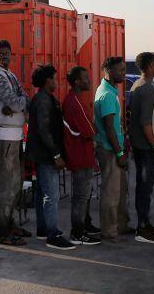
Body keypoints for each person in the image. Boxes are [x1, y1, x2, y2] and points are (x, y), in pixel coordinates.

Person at [0, 39, 31, 246]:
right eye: (0, 53)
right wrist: (16, 104)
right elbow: (15, 101)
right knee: (5, 186)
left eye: (7, 53)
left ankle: (9, 222)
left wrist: (17, 104)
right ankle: (2, 232)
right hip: (4, 136)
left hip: (15, 135)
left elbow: (24, 98)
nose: (4, 56)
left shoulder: (8, 74)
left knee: (15, 184)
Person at [26, 64, 76, 250]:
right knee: (51, 195)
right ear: (48, 81)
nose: (57, 82)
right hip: (46, 155)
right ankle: (52, 235)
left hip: (41, 154)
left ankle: (43, 229)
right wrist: (56, 154)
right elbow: (44, 130)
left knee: (41, 193)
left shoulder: (43, 98)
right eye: (54, 78)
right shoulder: (44, 101)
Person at [128, 52, 154, 244]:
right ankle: (142, 229)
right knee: (145, 187)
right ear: (151, 65)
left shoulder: (137, 85)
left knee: (143, 187)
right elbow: (146, 123)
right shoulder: (148, 89)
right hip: (146, 146)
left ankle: (145, 223)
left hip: (138, 145)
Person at [94, 56, 133, 243]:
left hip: (114, 148)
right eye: (121, 70)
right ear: (108, 71)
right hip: (110, 151)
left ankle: (121, 225)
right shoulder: (108, 95)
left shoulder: (108, 90)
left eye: (124, 70)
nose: (124, 74)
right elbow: (109, 126)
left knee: (120, 190)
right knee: (111, 192)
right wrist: (119, 153)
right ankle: (109, 231)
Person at [62, 66, 101, 246]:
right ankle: (77, 233)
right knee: (80, 197)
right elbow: (89, 130)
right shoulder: (74, 103)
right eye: (85, 77)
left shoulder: (74, 100)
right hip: (80, 156)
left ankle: (83, 226)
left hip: (80, 155)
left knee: (82, 195)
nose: (89, 80)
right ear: (77, 81)